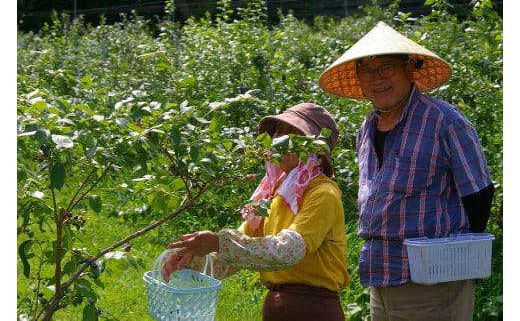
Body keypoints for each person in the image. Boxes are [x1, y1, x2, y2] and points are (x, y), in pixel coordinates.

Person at [318, 21, 494, 321]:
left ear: (409, 69)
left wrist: (463, 264)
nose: (377, 80)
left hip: (433, 281)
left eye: (386, 68)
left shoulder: (443, 121)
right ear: (359, 80)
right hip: (382, 277)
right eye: (368, 72)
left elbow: (479, 192)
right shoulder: (366, 129)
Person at [161, 102, 349, 321]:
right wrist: (190, 260)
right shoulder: (270, 194)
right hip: (276, 307)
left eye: (293, 133)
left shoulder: (323, 193)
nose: (280, 139)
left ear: (315, 147)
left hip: (313, 309)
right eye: (279, 131)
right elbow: (236, 252)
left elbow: (290, 250)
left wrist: (218, 242)